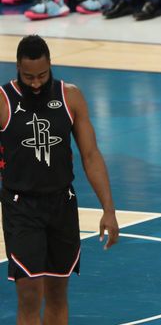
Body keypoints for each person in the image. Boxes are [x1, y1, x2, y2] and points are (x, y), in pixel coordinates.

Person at [0, 35, 119, 324]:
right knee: (29, 294)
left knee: (57, 291)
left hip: (62, 204)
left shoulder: (70, 96)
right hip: (21, 206)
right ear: (17, 68)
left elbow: (90, 155)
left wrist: (109, 209)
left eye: (42, 75)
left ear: (51, 65)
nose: (36, 83)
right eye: (28, 76)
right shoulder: (2, 101)